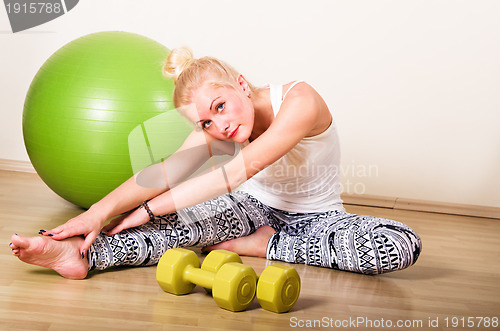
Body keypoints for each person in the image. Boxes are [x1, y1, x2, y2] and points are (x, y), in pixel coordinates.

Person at [10, 47, 421, 279]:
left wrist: (149, 208)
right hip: (249, 207)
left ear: (241, 84)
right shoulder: (219, 128)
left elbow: (239, 171)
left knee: (398, 244)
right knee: (164, 229)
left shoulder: (300, 101)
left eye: (220, 106)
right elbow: (164, 173)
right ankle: (76, 256)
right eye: (206, 121)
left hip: (316, 218)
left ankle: (267, 246)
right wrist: (99, 212)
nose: (219, 126)